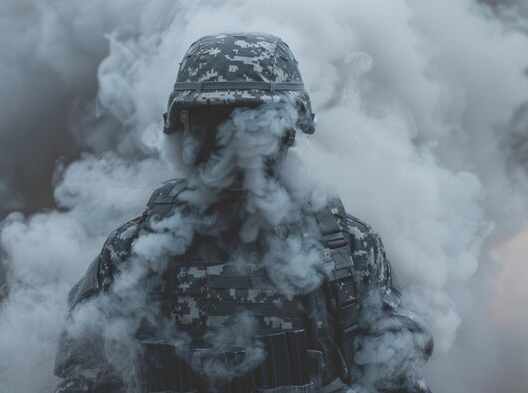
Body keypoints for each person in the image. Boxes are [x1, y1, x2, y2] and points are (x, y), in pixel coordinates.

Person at [53, 32, 434, 393]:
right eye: (216, 122)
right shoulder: (135, 251)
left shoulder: (347, 247)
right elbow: (84, 375)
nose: (234, 142)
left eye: (252, 121)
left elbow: (397, 375)